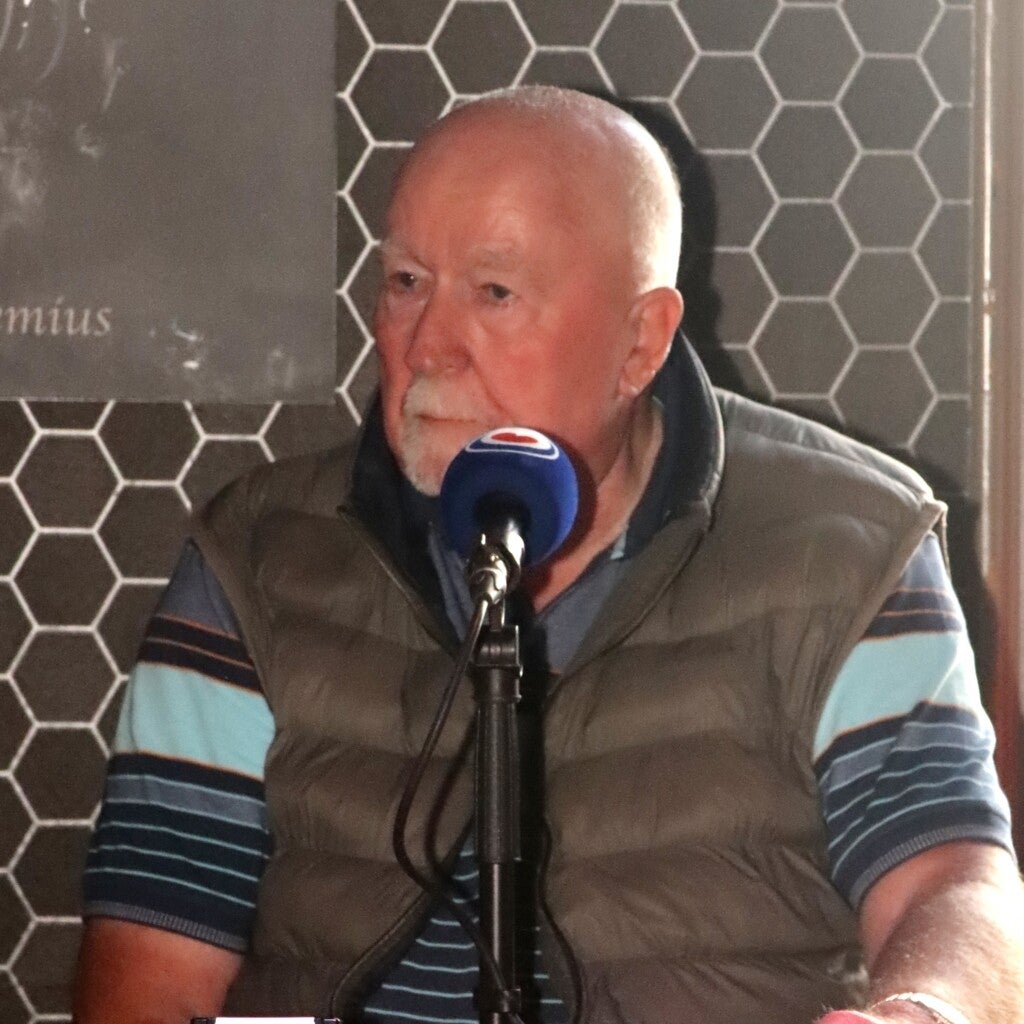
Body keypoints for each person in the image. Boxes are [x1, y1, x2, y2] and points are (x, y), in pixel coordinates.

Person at [74, 87, 1024, 1024]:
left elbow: (949, 879)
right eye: (406, 283)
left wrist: (920, 1014)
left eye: (495, 293)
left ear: (640, 342)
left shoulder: (846, 542)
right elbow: (153, 958)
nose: (429, 345)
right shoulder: (258, 554)